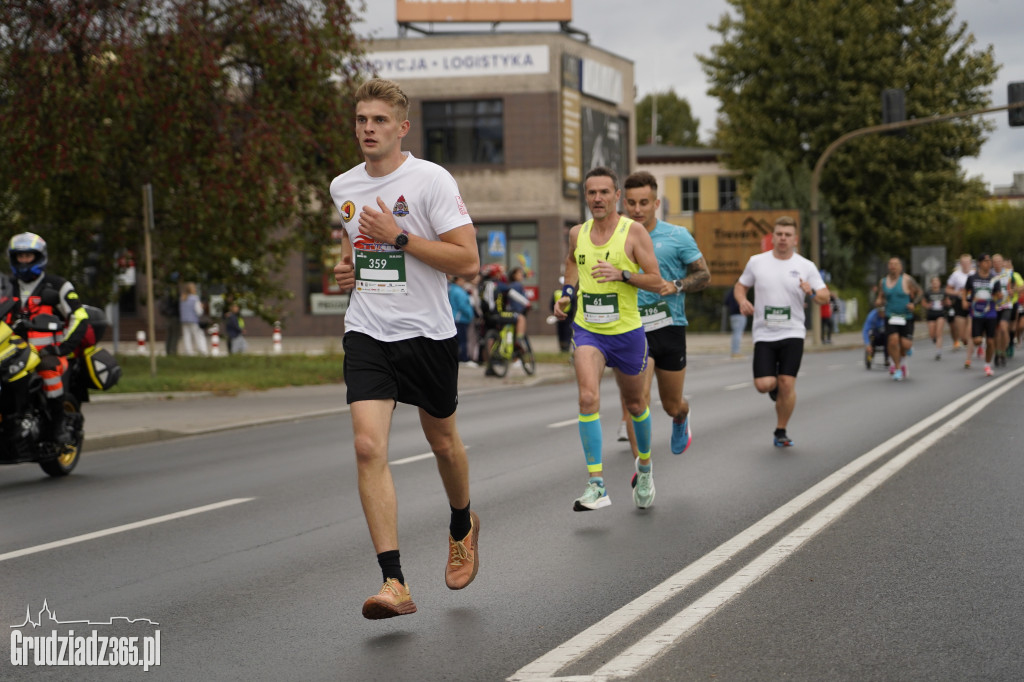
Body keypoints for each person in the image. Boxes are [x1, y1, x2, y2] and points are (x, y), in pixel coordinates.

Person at [329, 78, 480, 619]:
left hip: (428, 335)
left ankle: (462, 522)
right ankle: (394, 581)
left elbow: (467, 262)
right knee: (368, 447)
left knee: (443, 444)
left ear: (402, 128)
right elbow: (350, 250)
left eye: (379, 121)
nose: (368, 129)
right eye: (361, 120)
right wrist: (344, 272)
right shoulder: (342, 186)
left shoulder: (431, 181)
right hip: (368, 330)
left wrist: (398, 236)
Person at [553, 166, 662, 511]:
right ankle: (596, 484)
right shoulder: (577, 233)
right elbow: (572, 262)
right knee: (588, 399)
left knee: (635, 405)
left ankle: (644, 467)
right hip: (589, 330)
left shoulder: (634, 233)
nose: (597, 198)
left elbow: (656, 280)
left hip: (627, 332)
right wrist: (568, 293)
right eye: (591, 193)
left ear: (617, 196)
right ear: (585, 197)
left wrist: (623, 274)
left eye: (604, 192)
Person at [618, 170, 709, 466]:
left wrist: (678, 285)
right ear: (624, 203)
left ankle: (682, 414)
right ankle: (642, 467)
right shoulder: (614, 236)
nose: (637, 209)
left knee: (670, 405)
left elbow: (703, 274)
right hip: (631, 328)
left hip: (669, 326)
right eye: (631, 203)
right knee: (637, 401)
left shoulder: (676, 235)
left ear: (656, 203)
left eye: (644, 202)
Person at [733, 216, 829, 447]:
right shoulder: (757, 262)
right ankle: (774, 386)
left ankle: (781, 430)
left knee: (788, 383)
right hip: (764, 333)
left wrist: (812, 292)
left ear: (795, 239)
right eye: (779, 234)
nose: (783, 238)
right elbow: (740, 286)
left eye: (787, 235)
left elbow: (825, 295)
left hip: (793, 332)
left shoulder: (806, 266)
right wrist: (742, 300)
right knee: (763, 385)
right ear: (772, 237)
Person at [8, 232, 91, 451]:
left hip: (46, 352)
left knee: (49, 373)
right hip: (10, 350)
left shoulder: (58, 286)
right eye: (20, 256)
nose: (24, 260)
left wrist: (61, 348)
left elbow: (79, 317)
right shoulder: (5, 286)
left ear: (39, 257)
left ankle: (58, 425)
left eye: (28, 256)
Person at [875, 257, 921, 381]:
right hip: (891, 316)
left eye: (895, 264)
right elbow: (881, 297)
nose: (893, 266)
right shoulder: (883, 282)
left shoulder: (907, 280)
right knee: (893, 341)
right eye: (890, 264)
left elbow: (919, 292)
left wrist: (914, 304)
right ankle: (898, 368)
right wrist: (879, 301)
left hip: (906, 316)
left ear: (900, 267)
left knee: (905, 344)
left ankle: (906, 352)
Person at [962, 253, 1002, 376]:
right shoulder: (972, 278)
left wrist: (999, 297)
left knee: (990, 341)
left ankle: (987, 365)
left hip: (990, 313)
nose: (988, 263)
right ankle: (981, 345)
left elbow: (998, 295)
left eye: (989, 261)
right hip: (977, 313)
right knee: (977, 340)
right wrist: (964, 300)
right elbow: (965, 290)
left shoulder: (994, 278)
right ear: (979, 263)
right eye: (986, 261)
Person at [946, 254, 972, 352]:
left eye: (967, 262)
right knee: (963, 337)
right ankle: (968, 342)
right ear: (960, 264)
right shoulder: (956, 275)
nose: (965, 265)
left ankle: (976, 345)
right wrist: (958, 292)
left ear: (970, 263)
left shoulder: (975, 274)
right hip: (959, 303)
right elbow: (948, 290)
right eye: (963, 263)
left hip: (972, 304)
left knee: (970, 331)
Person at [991, 254, 1013, 367]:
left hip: (1006, 305)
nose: (997, 264)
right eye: (995, 262)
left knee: (1004, 329)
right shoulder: (990, 275)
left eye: (999, 261)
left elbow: (1011, 287)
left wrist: (1011, 292)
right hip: (994, 307)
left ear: (1002, 262)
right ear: (992, 263)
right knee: (996, 332)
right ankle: (997, 353)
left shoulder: (1008, 273)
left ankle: (1003, 351)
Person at [448, 275, 475, 365]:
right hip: (460, 318)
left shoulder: (452, 289)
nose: (464, 282)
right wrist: (470, 314)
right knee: (462, 340)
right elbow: (463, 305)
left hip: (456, 318)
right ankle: (463, 358)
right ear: (458, 280)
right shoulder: (458, 291)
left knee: (458, 340)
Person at [179, 282, 208, 356]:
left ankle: (188, 351)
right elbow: (198, 311)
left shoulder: (182, 298)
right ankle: (202, 350)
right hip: (193, 319)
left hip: (184, 319)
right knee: (198, 335)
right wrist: (201, 308)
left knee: (186, 335)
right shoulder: (194, 298)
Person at [923, 275, 948, 360]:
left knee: (939, 332)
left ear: (939, 283)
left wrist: (945, 303)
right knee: (932, 334)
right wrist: (927, 305)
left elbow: (947, 302)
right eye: (933, 282)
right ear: (931, 283)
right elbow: (923, 302)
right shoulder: (928, 292)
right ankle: (934, 339)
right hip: (931, 314)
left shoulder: (943, 292)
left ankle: (938, 351)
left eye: (937, 282)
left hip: (940, 314)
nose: (935, 283)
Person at [725, 288, 747, 357]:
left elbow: (726, 302)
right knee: (738, 333)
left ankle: (735, 351)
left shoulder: (730, 292)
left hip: (732, 315)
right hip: (739, 314)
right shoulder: (739, 292)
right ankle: (735, 352)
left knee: (735, 333)